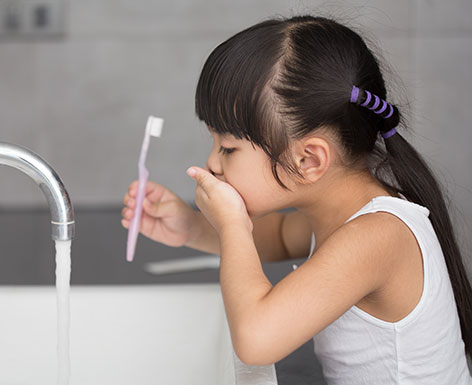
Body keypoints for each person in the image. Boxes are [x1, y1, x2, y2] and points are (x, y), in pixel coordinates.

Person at [121, 15, 472, 384]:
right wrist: (191, 228)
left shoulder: (378, 235)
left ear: (309, 160)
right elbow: (277, 237)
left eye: (228, 147)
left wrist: (231, 224)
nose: (212, 163)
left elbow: (256, 340)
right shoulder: (343, 212)